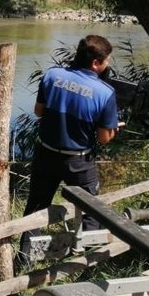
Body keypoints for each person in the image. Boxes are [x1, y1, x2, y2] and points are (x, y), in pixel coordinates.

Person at [22, 34, 119, 241]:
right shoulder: (105, 92)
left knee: (36, 207)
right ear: (95, 63)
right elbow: (103, 138)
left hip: (45, 153)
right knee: (90, 210)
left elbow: (39, 111)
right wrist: (112, 129)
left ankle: (24, 257)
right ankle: (85, 261)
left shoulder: (52, 75)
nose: (108, 63)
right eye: (107, 60)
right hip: (78, 161)